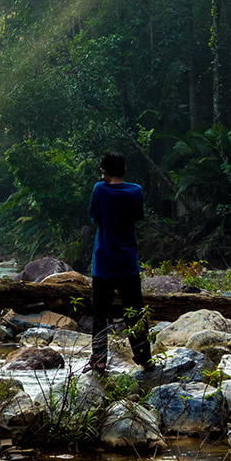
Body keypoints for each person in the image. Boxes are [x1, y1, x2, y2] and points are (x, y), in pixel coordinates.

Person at [87, 151, 148, 372]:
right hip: (128, 261)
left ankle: (100, 359)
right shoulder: (135, 191)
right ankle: (144, 358)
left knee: (99, 312)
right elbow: (138, 217)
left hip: (103, 261)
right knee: (135, 311)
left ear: (104, 170)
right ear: (123, 170)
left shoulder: (99, 190)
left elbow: (94, 217)